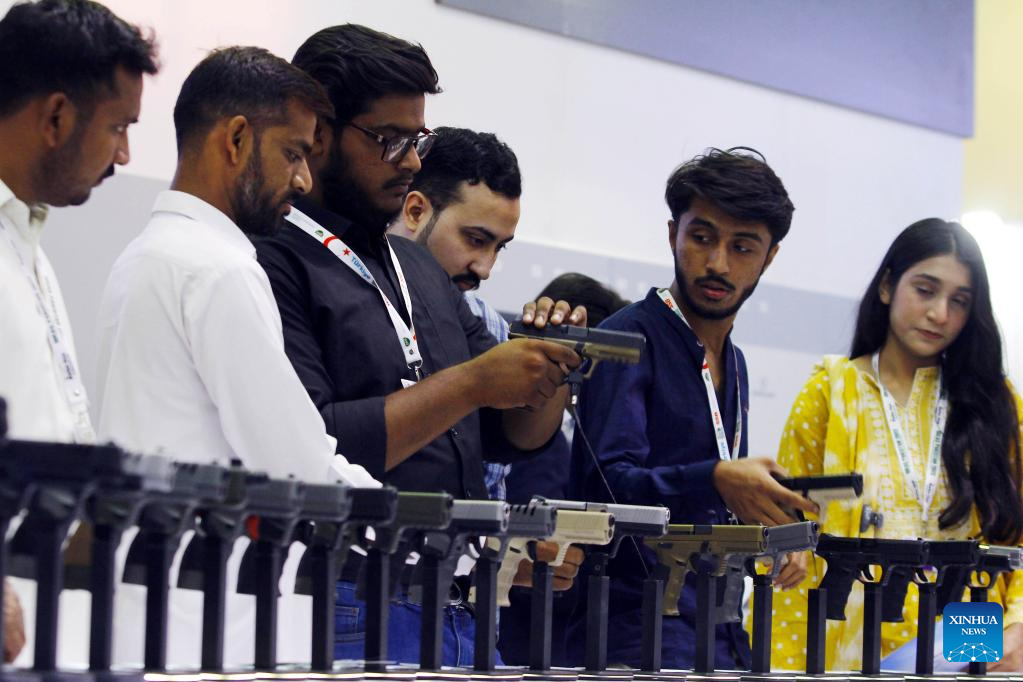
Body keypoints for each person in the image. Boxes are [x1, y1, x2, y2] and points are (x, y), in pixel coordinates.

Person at [256, 25, 582, 666]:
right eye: (390, 140)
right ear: (318, 134)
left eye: (418, 141)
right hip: (355, 596)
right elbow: (315, 443)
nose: (410, 162)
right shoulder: (272, 259)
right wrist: (473, 382)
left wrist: (551, 366)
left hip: (461, 599)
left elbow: (507, 434)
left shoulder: (415, 268)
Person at [95, 46, 376, 667]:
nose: (303, 180)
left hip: (150, 608)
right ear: (237, 139)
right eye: (293, 153)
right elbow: (297, 464)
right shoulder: (219, 269)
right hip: (217, 625)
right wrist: (434, 534)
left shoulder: (144, 254)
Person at [567, 148, 816, 669]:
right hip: (635, 629)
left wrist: (777, 533)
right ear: (672, 234)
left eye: (742, 247)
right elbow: (605, 490)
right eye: (702, 237)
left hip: (720, 625)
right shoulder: (625, 340)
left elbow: (711, 505)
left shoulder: (736, 361)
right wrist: (716, 478)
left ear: (769, 257)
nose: (718, 263)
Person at [769, 219, 1023, 672]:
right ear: (887, 286)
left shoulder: (992, 403)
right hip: (847, 630)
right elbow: (791, 535)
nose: (940, 314)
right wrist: (786, 666)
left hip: (968, 624)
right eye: (925, 290)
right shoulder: (831, 391)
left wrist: (1018, 626)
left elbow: (1016, 535)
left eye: (959, 301)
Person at [0, 0, 158, 663]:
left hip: (44, 622)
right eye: (118, 127)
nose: (124, 154)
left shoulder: (28, 246)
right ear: (57, 117)